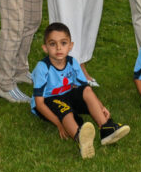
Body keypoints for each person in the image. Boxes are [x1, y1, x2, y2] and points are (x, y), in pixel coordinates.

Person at [30, 23, 130, 159]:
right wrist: (58, 124)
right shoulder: (43, 68)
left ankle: (106, 128)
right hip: (48, 101)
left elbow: (85, 89)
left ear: (70, 46)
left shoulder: (72, 62)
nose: (59, 48)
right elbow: (39, 103)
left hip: (66, 95)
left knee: (86, 89)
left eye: (63, 43)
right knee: (65, 110)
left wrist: (101, 107)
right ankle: (80, 139)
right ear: (45, 48)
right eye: (52, 44)